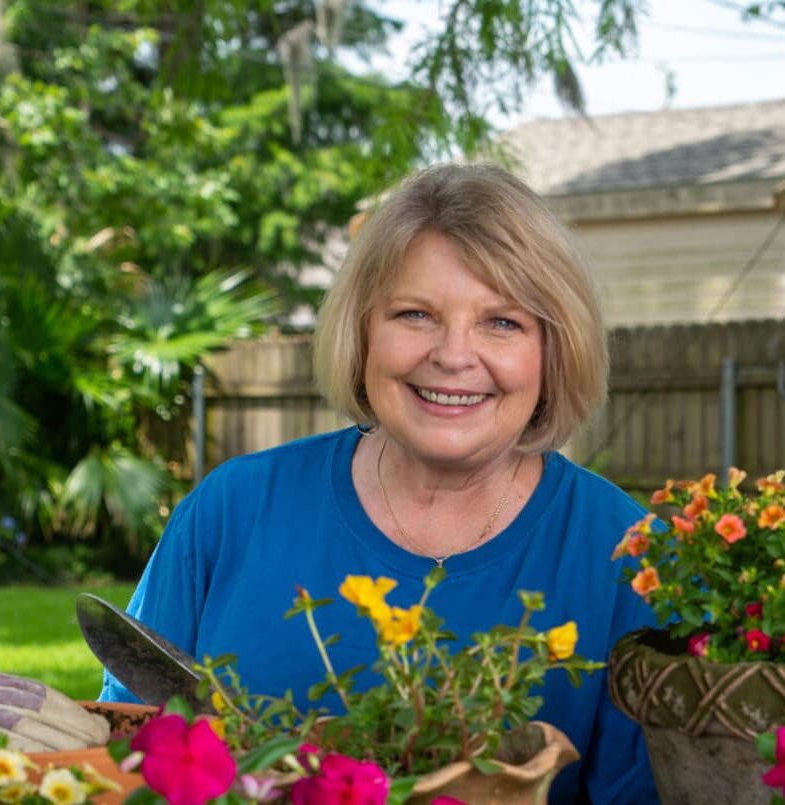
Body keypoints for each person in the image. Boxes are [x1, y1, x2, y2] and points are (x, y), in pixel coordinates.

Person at [100, 163, 658, 803]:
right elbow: (124, 754)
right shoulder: (232, 511)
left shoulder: (631, 557)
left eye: (502, 322)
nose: (453, 355)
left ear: (554, 349)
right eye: (415, 314)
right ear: (362, 332)